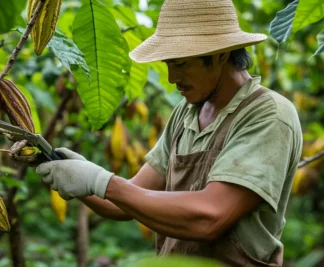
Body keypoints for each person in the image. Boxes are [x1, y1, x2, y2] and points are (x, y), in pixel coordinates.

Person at [35, 0, 303, 266]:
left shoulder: (268, 114)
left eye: (181, 64)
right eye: (168, 64)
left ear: (221, 54)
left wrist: (101, 182)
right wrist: (78, 175)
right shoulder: (185, 114)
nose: (172, 78)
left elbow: (210, 217)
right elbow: (126, 201)